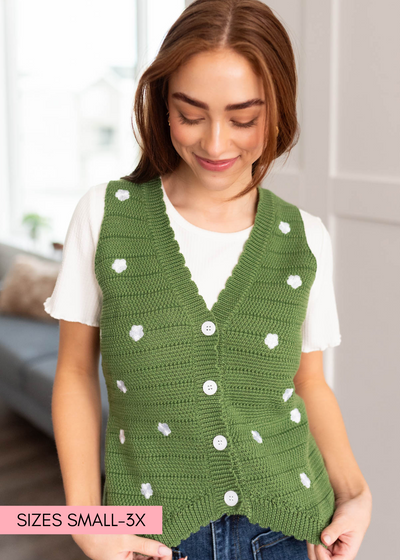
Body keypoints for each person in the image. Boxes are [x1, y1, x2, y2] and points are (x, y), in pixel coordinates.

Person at [45, 1, 372, 559]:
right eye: (191, 114)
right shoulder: (106, 216)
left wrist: (356, 494)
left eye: (243, 118)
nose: (216, 143)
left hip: (291, 528)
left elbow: (309, 383)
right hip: (146, 535)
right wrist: (82, 519)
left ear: (278, 111)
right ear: (162, 106)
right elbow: (75, 372)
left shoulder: (305, 237)